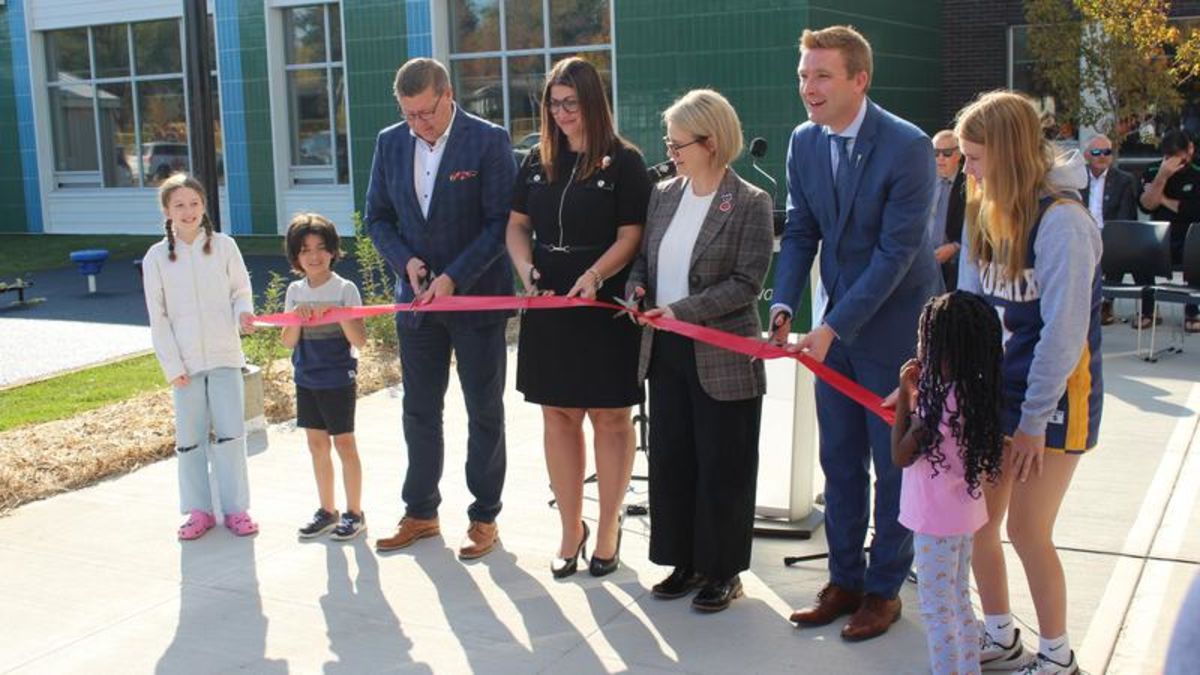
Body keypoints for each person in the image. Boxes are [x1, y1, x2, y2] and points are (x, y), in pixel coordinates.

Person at [771, 25, 940, 641]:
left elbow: (896, 256)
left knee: (892, 467)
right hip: (830, 334)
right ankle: (843, 580)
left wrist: (834, 323)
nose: (808, 89)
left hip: (894, 334)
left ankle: (883, 590)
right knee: (838, 461)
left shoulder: (908, 146)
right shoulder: (803, 142)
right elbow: (800, 232)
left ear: (858, 79)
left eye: (821, 76)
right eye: (803, 76)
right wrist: (786, 304)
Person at [956, 90, 1102, 675]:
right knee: (978, 524)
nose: (966, 170)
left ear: (1010, 154)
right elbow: (968, 308)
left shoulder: (1064, 221)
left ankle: (1058, 656)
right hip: (996, 391)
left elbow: (1063, 339)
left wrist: (1033, 423)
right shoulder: (982, 208)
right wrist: (943, 375)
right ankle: (1000, 636)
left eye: (974, 158)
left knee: (1027, 529)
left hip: (1058, 396)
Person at [625, 89, 773, 612]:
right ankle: (682, 560)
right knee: (672, 459)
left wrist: (682, 311)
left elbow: (745, 284)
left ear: (710, 142)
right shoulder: (663, 194)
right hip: (664, 351)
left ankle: (722, 570)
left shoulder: (750, 203)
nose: (670, 151)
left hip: (721, 356)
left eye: (677, 142)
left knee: (722, 465)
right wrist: (638, 292)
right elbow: (643, 261)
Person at [506, 56, 650, 578]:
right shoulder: (534, 160)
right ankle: (572, 528)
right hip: (549, 304)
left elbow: (631, 236)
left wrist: (594, 274)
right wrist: (524, 266)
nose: (562, 113)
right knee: (558, 415)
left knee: (610, 418)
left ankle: (608, 527)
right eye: (554, 103)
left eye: (572, 103)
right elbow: (517, 225)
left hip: (604, 302)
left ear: (593, 102)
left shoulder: (626, 161)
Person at [366, 57, 515, 560]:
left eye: (426, 113)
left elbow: (500, 224)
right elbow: (377, 219)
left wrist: (455, 278)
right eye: (409, 115)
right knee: (420, 411)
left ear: (448, 95)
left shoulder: (489, 140)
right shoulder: (389, 142)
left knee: (484, 412)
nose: (418, 125)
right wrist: (404, 261)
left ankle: (484, 517)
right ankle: (421, 512)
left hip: (476, 298)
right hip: (417, 305)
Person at [891, 291, 1005, 675]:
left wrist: (906, 396)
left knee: (937, 609)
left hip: (934, 522)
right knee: (958, 601)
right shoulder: (971, 396)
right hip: (962, 516)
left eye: (927, 340)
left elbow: (901, 455)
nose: (921, 347)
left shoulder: (935, 407)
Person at [142, 173, 258, 540]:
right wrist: (172, 365)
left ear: (204, 205)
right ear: (167, 211)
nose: (188, 211)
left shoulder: (224, 247)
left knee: (231, 437)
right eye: (179, 205)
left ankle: (236, 509)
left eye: (194, 203)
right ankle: (198, 511)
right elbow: (157, 316)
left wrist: (243, 313)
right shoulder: (157, 258)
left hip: (224, 357)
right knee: (190, 441)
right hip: (185, 367)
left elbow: (241, 290)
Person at [280, 214, 369, 541]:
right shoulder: (295, 290)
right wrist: (298, 318)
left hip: (338, 379)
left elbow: (359, 340)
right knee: (317, 446)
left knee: (344, 444)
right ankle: (327, 510)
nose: (314, 256)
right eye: (305, 250)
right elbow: (288, 341)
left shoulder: (345, 289)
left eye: (320, 248)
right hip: (306, 378)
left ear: (332, 251)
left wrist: (337, 314)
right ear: (296, 256)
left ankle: (354, 513)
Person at [1138, 129, 1200, 332]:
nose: (1174, 163)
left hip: (1191, 235)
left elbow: (1193, 211)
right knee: (1140, 249)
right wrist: (1162, 177)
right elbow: (1147, 205)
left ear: (1189, 150)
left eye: (1178, 158)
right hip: (1161, 235)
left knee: (1195, 248)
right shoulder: (1153, 171)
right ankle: (1149, 310)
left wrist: (1162, 199)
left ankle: (1192, 311)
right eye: (1168, 157)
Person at [1079, 134, 1137, 325]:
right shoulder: (1077, 179)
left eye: (1107, 152)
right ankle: (1082, 304)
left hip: (1109, 235)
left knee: (1116, 244)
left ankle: (1106, 302)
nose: (1102, 156)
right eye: (1097, 152)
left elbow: (1125, 217)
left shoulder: (1124, 180)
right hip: (1082, 235)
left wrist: (1108, 238)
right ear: (1087, 155)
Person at [929, 130, 966, 292]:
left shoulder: (970, 184)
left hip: (954, 265)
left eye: (947, 153)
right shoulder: (922, 180)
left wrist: (955, 247)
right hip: (923, 261)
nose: (940, 158)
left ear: (958, 155)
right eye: (936, 153)